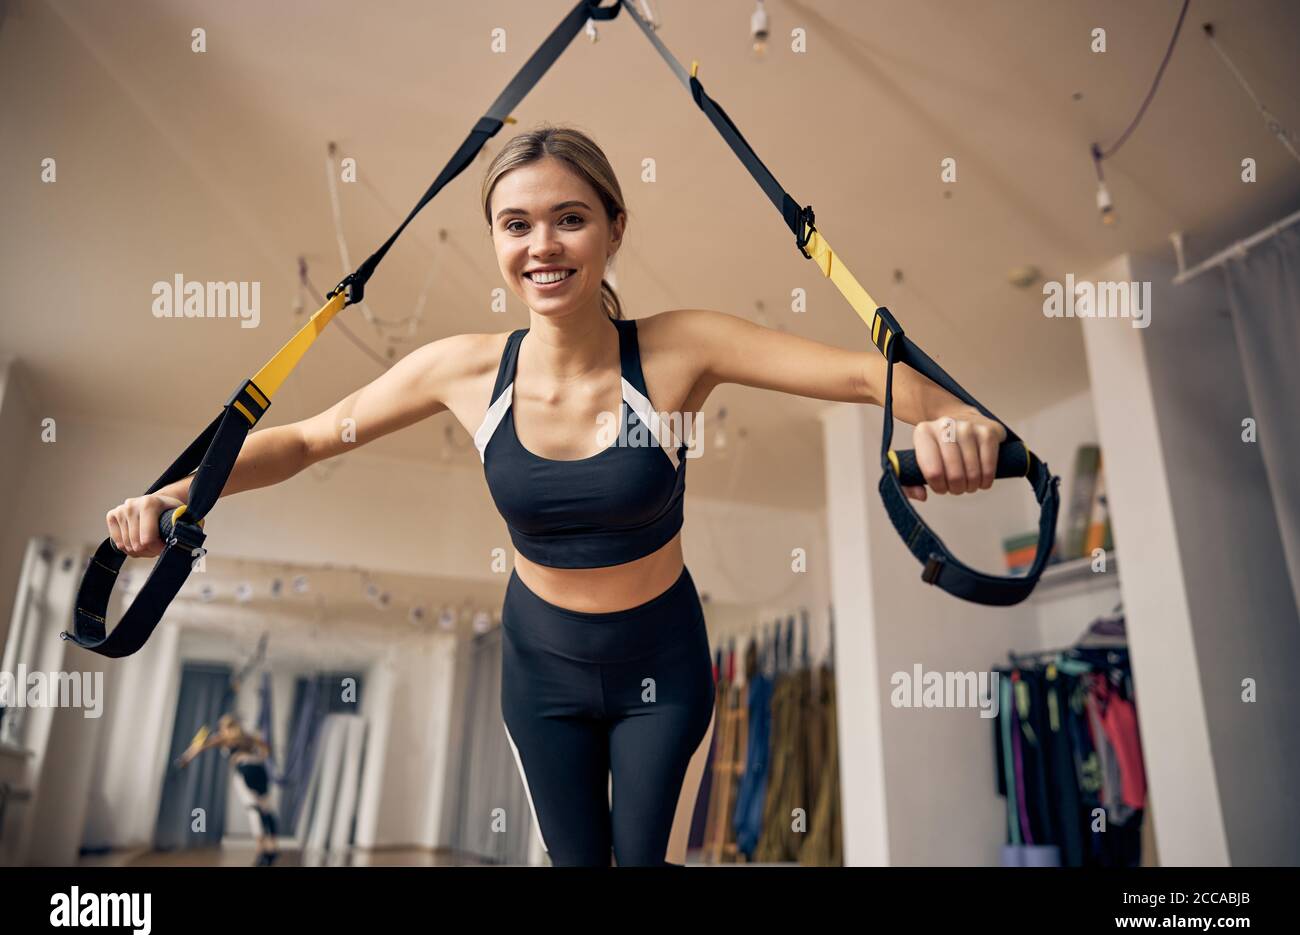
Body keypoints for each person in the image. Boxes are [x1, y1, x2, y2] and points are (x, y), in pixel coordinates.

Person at [108, 125, 1004, 866]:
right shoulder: (463, 371)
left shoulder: (681, 349)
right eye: (517, 224)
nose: (542, 245)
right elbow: (305, 439)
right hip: (541, 666)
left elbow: (866, 375)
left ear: (614, 229)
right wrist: (178, 495)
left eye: (569, 219)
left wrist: (961, 422)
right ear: (497, 240)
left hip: (662, 661)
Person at [177, 713, 280, 865]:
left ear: (224, 726)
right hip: (259, 770)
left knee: (253, 810)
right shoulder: (247, 737)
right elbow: (265, 747)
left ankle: (261, 851)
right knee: (266, 809)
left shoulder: (224, 738)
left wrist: (185, 758)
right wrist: (260, 757)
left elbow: (199, 747)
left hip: (245, 771)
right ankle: (272, 848)